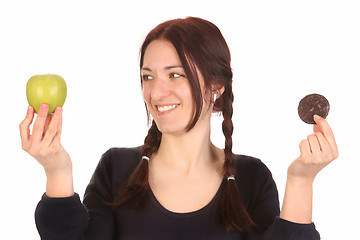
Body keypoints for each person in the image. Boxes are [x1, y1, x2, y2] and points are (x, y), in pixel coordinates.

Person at [19, 17, 338, 240]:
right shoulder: (116, 169)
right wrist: (57, 171)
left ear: (216, 86)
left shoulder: (251, 178)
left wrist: (301, 180)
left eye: (175, 75)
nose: (156, 93)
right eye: (148, 76)